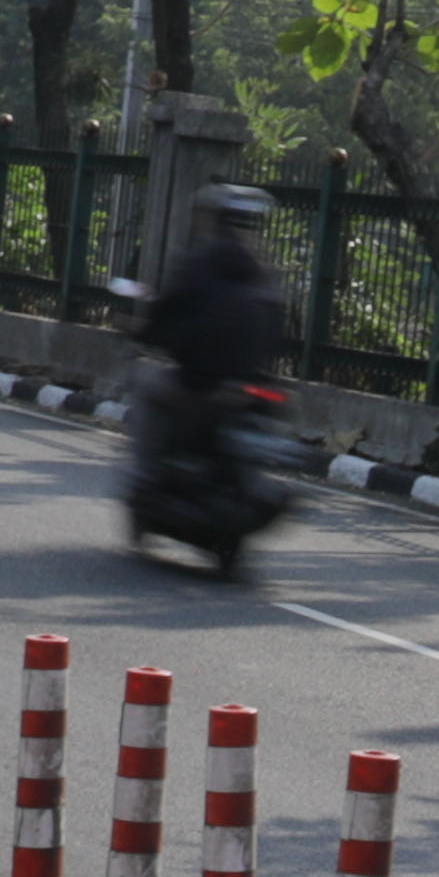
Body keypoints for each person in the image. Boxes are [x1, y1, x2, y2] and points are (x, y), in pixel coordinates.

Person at [123, 182, 297, 581]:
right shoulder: (263, 276)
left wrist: (144, 334)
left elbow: (164, 314)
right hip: (252, 387)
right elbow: (278, 335)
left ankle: (145, 475)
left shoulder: (197, 265)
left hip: (197, 384)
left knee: (148, 386)